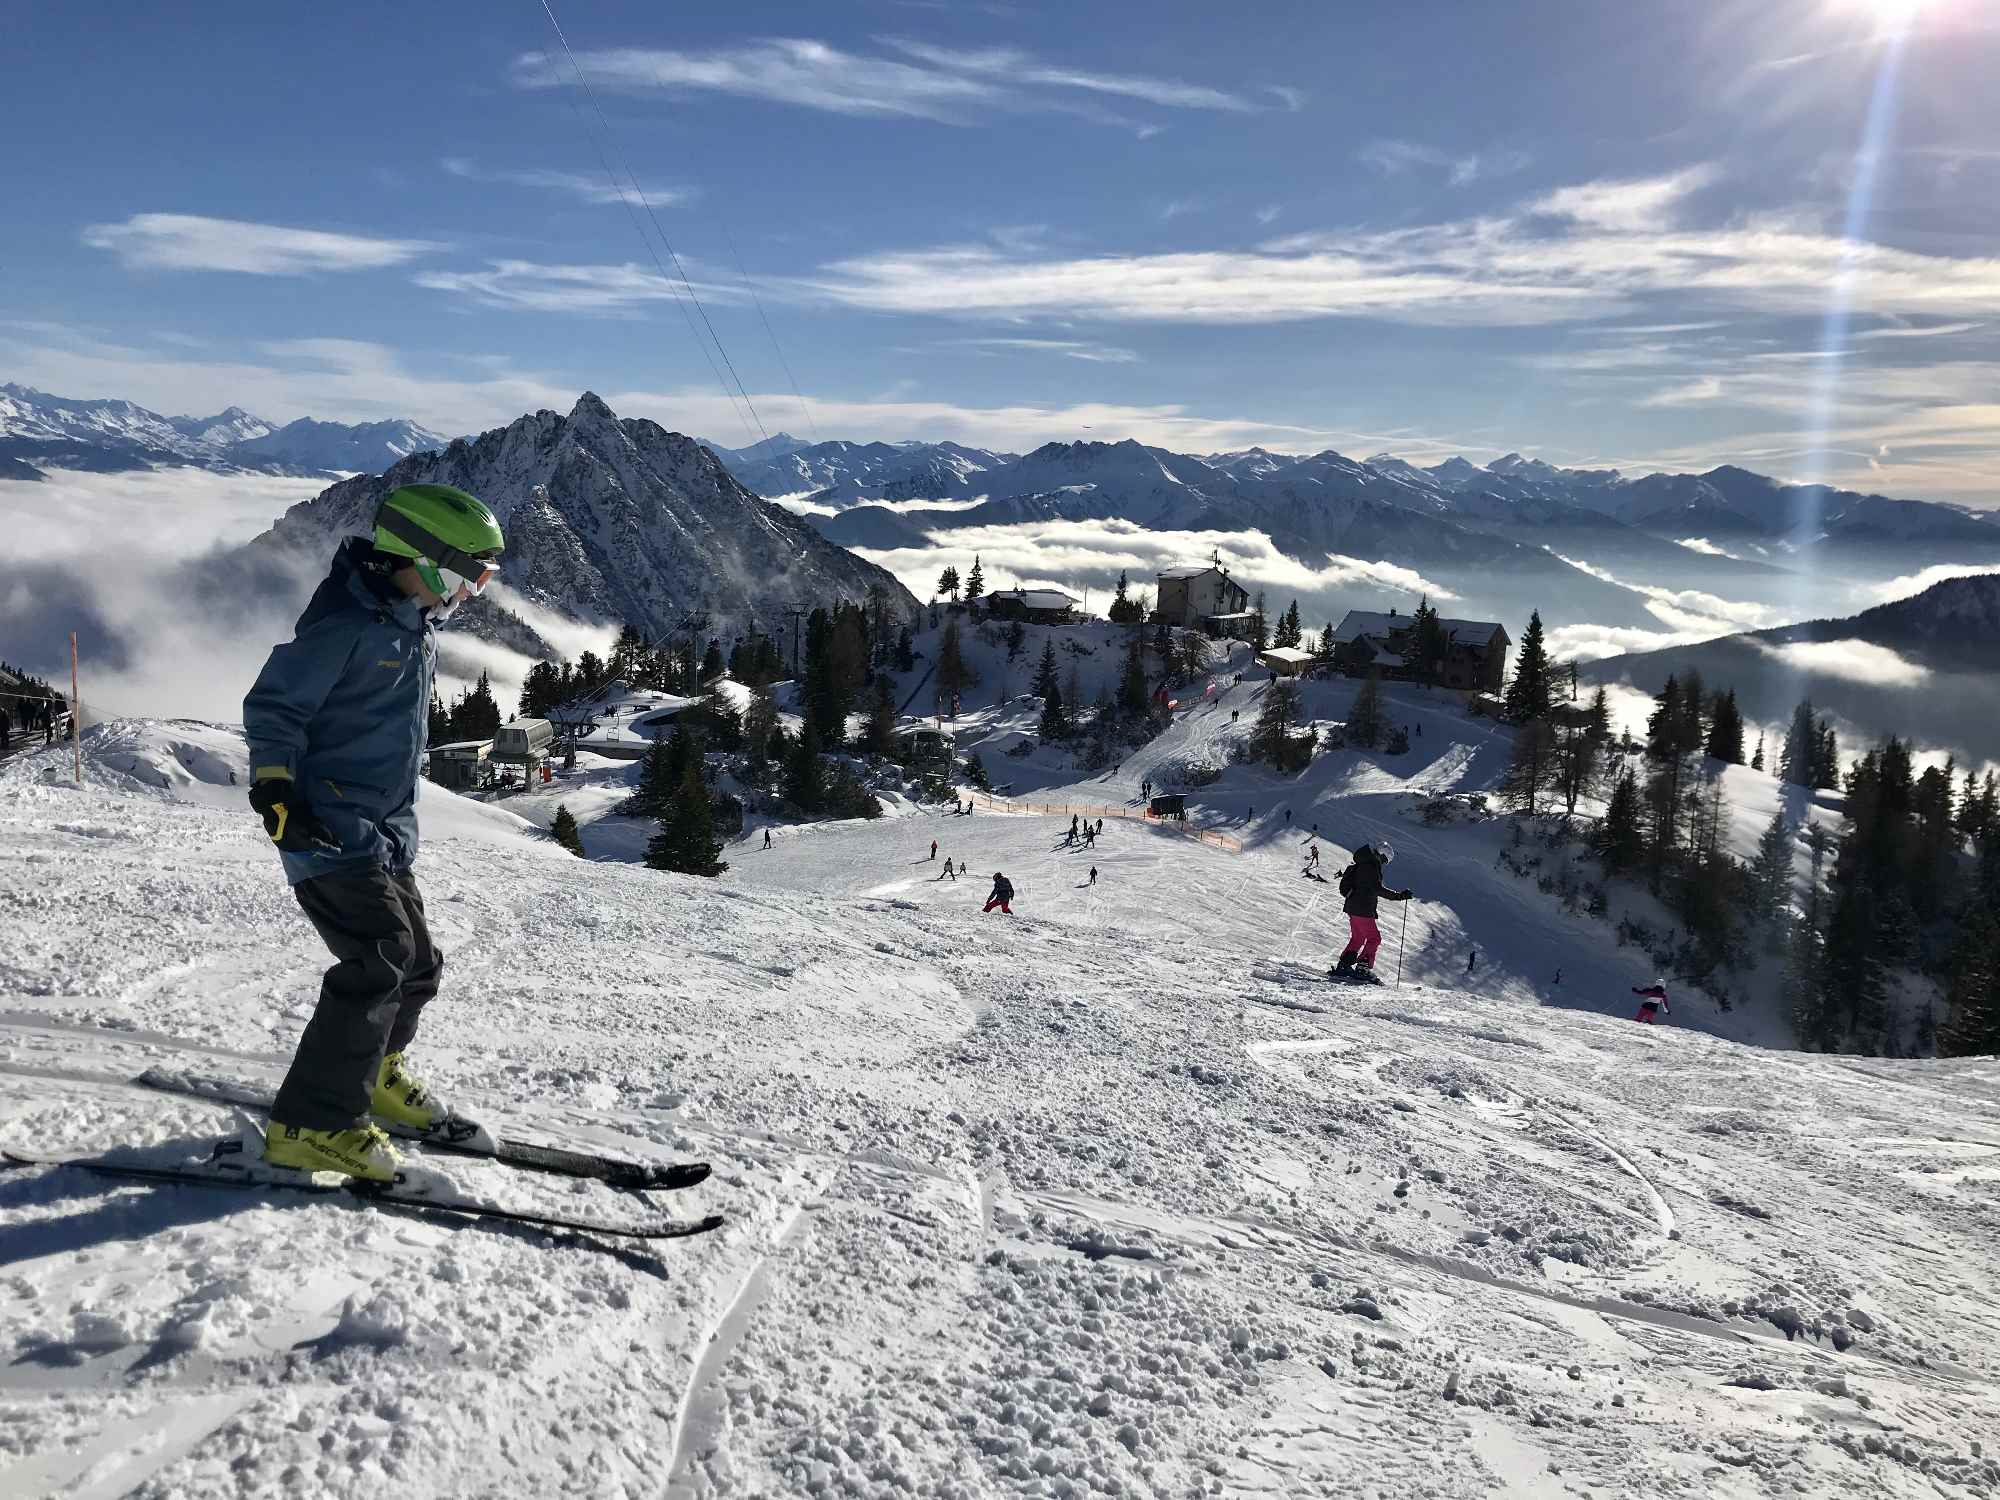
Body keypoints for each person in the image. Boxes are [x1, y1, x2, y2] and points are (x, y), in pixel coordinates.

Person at [242, 483, 504, 1182]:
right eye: (465, 576)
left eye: (480, 581)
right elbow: (274, 704)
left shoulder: (406, 621)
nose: (468, 594)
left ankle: (375, 1074)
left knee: (415, 965)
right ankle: (312, 1123)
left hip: (381, 834)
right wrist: (273, 787)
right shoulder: (349, 624)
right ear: (421, 557)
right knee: (377, 959)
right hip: (324, 828)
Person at [1332, 841, 1413, 981]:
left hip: (1353, 907)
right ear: (1381, 855)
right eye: (1385, 860)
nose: (1384, 863)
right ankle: (1362, 968)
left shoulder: (1365, 863)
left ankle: (1344, 965)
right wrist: (1399, 896)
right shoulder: (1370, 867)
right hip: (1363, 908)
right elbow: (1377, 889)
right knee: (1374, 938)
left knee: (1358, 938)